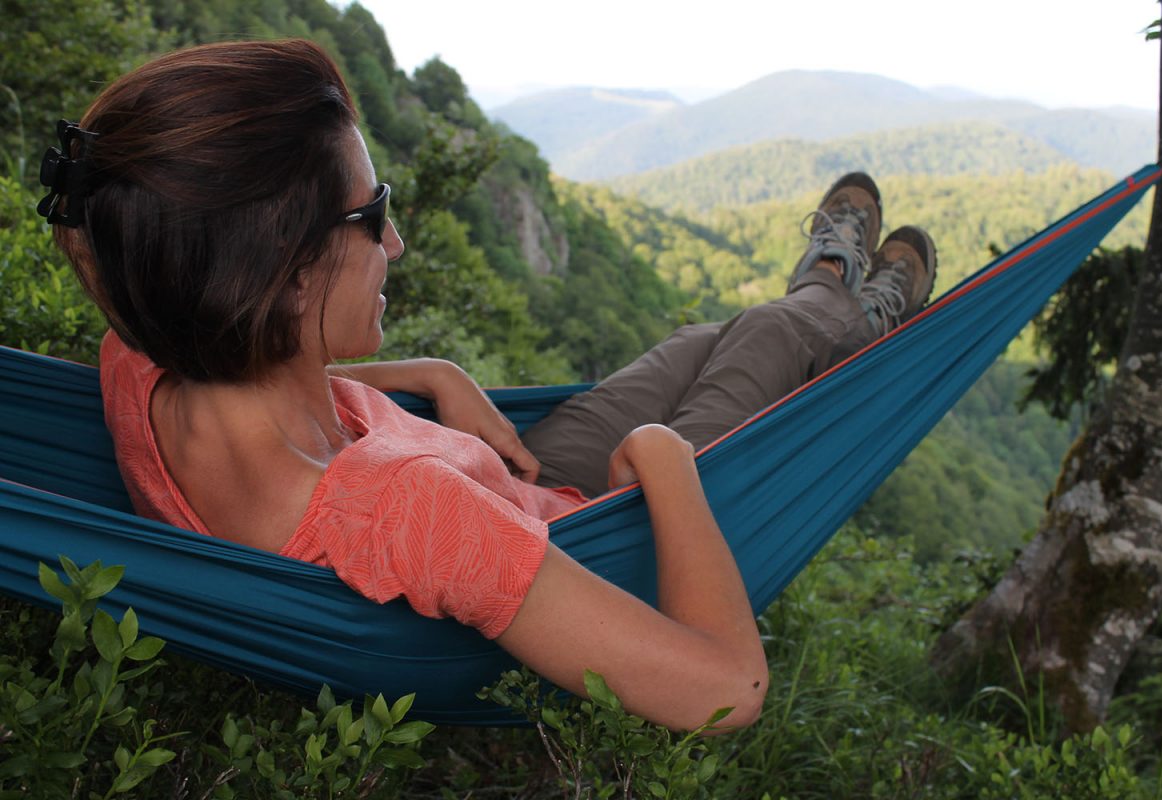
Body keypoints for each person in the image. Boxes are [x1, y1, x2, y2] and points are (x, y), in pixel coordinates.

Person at [37, 39, 935, 731]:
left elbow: (237, 353)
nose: (395, 245)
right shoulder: (410, 513)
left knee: (712, 337)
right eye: (372, 214)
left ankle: (827, 295)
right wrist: (665, 464)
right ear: (288, 274)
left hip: (507, 477)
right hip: (596, 533)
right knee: (769, 336)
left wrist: (433, 372)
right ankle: (844, 302)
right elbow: (727, 691)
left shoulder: (146, 352)